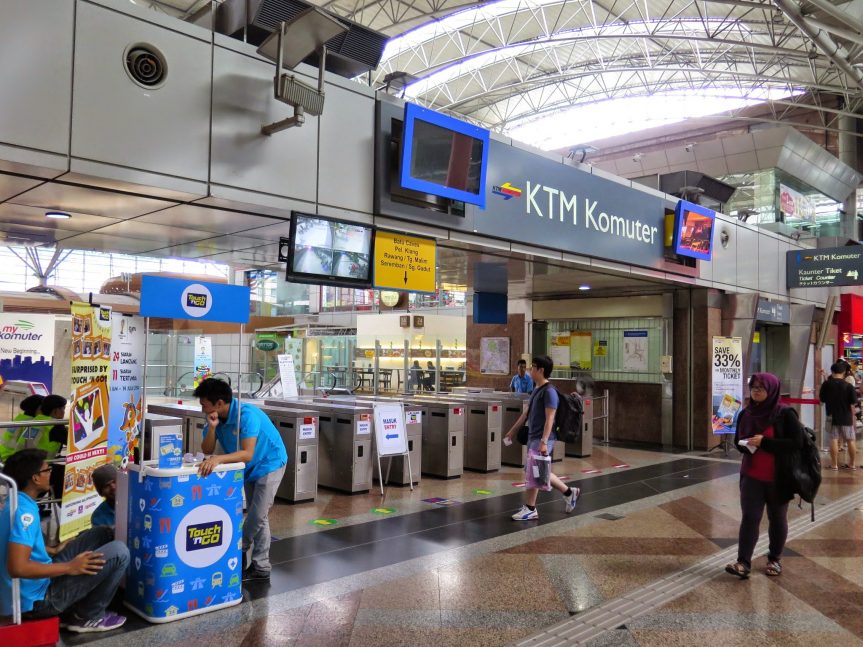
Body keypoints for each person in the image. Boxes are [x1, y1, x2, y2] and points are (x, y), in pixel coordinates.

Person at [0, 449, 128, 633]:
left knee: (102, 533)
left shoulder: (14, 502)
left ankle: (82, 600)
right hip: (38, 601)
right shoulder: (25, 513)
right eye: (47, 470)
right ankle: (88, 615)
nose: (50, 473)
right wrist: (71, 567)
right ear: (35, 478)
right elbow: (17, 567)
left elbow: (14, 545)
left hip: (36, 586)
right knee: (120, 552)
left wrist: (51, 550)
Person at [193, 377, 287, 581]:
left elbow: (247, 453)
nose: (202, 410)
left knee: (258, 513)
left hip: (269, 462)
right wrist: (211, 428)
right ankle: (261, 566)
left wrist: (218, 459)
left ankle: (239, 547)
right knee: (259, 515)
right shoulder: (214, 417)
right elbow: (207, 449)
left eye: (205, 405)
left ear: (219, 403)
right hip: (248, 469)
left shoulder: (246, 415)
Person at [725, 373, 804, 579]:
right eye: (754, 387)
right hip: (751, 476)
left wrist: (765, 443)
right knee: (750, 518)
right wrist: (745, 445)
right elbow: (738, 441)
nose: (756, 390)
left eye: (761, 387)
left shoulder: (784, 414)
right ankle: (743, 562)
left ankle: (774, 559)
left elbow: (797, 443)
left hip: (778, 478)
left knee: (777, 518)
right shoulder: (745, 414)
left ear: (772, 389)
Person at [504, 355, 580, 520]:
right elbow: (527, 413)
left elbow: (550, 418)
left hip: (542, 438)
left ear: (541, 370)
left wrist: (544, 442)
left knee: (533, 471)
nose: (530, 370)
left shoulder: (549, 392)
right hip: (534, 436)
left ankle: (531, 508)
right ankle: (569, 492)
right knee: (539, 471)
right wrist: (513, 431)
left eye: (533, 367)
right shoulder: (537, 389)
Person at [819, 361, 858, 471]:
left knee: (834, 439)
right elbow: (853, 402)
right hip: (846, 417)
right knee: (850, 440)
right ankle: (852, 464)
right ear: (844, 372)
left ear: (832, 371)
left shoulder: (826, 384)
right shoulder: (848, 386)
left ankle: (834, 465)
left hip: (831, 416)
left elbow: (822, 399)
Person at [0, 394, 44, 461]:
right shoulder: (32, 423)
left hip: (3, 455)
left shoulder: (20, 419)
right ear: (39, 409)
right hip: (11, 458)